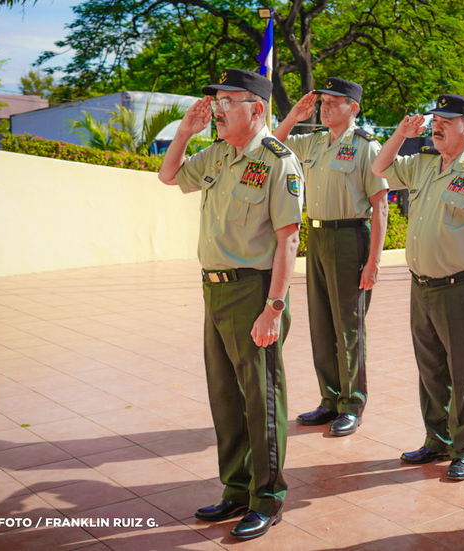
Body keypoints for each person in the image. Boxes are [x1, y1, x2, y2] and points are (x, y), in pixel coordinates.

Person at [157, 69, 303, 540]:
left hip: (254, 291)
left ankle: (268, 498)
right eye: (214, 101)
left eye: (227, 101)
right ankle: (236, 488)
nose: (216, 109)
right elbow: (168, 175)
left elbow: (288, 241)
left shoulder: (279, 161)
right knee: (225, 396)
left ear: (256, 108)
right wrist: (184, 131)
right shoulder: (218, 154)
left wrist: (273, 308)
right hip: (214, 289)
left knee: (261, 397)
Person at [371, 94, 464, 481]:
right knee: (431, 368)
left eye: (447, 121)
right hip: (422, 287)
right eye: (436, 119)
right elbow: (379, 166)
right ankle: (436, 440)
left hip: (462, 288)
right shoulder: (422, 163)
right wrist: (401, 134)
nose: (437, 126)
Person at [273, 78, 389, 436]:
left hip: (350, 237)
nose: (324, 107)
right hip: (318, 236)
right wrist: (294, 115)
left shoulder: (367, 147)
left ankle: (352, 403)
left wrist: (373, 262)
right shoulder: (314, 142)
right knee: (322, 324)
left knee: (348, 326)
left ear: (353, 108)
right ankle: (329, 398)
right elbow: (272, 145)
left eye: (333, 103)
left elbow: (380, 207)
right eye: (322, 102)